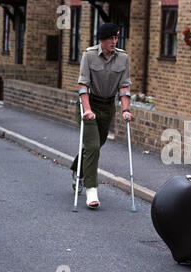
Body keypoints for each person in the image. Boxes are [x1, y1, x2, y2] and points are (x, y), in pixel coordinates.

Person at [70, 22, 133, 210]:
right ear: (102, 40)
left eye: (116, 38)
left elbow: (124, 87)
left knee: (97, 144)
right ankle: (91, 191)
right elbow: (83, 85)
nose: (114, 41)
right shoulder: (89, 55)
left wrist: (126, 109)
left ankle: (76, 169)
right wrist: (87, 110)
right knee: (93, 146)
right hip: (88, 105)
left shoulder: (123, 58)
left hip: (107, 107)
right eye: (110, 38)